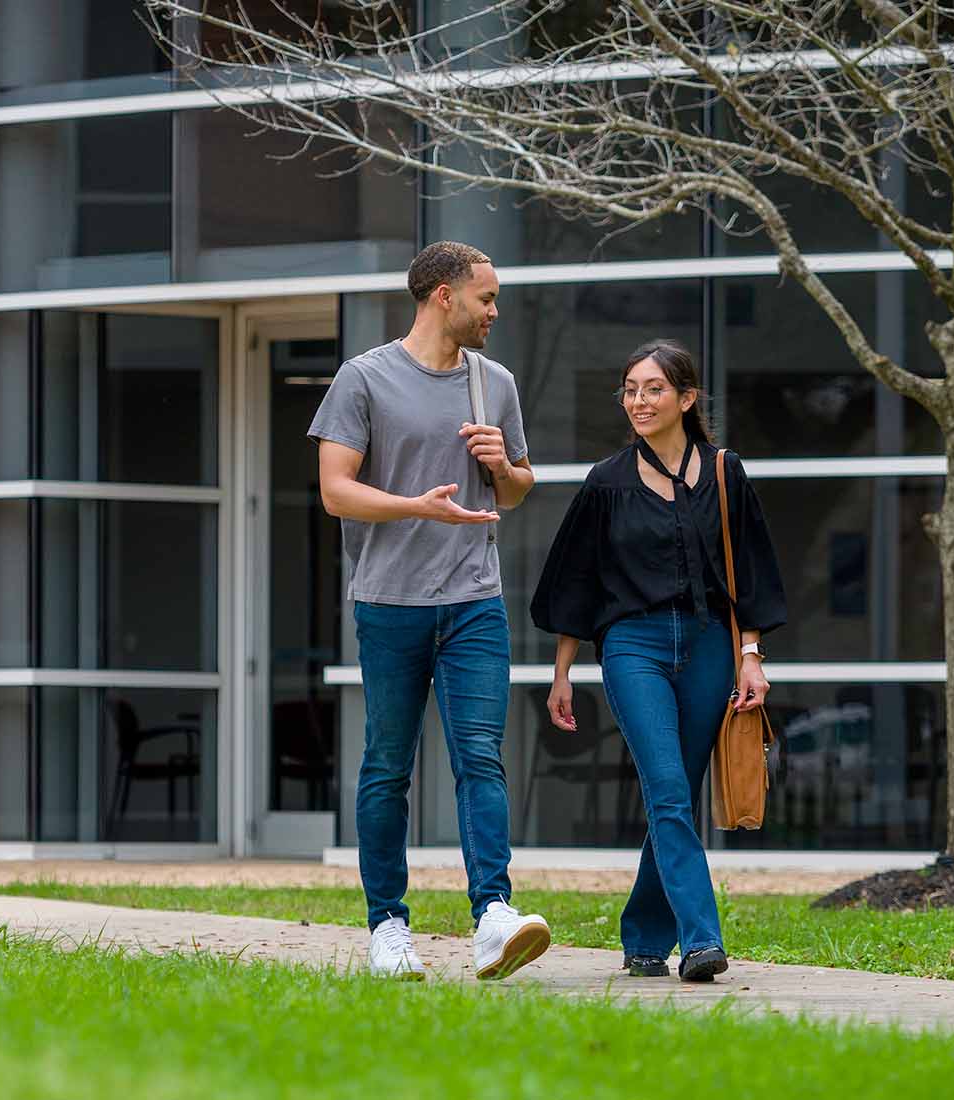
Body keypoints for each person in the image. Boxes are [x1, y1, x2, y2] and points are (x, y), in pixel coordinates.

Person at [308, 241, 552, 981]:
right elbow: (334, 490)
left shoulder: (494, 382)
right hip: (390, 604)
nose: (494, 312)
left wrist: (503, 468)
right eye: (485, 297)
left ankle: (493, 917)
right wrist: (414, 507)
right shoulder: (366, 379)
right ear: (443, 295)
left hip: (475, 599)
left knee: (481, 757)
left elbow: (516, 490)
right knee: (388, 766)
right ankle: (387, 927)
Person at [528, 338, 787, 983]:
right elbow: (577, 583)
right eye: (630, 389)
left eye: (652, 389)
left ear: (686, 398)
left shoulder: (725, 474)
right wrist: (562, 673)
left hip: (707, 647)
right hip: (631, 646)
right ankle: (702, 940)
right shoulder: (607, 483)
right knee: (668, 789)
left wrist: (751, 655)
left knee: (678, 793)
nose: (638, 401)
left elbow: (749, 571)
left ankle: (643, 936)